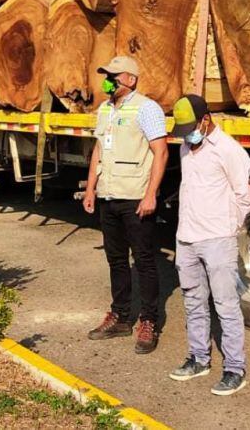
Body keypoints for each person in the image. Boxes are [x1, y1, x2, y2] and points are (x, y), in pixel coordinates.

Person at [166, 95, 250, 396]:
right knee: (193, 301)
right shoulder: (184, 147)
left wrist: (228, 230)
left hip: (217, 239)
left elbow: (244, 195)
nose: (187, 134)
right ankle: (199, 358)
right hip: (186, 237)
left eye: (191, 126)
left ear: (206, 119)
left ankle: (234, 369)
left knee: (226, 306)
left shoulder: (228, 150)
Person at [82, 55, 170, 354]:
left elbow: (161, 153)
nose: (108, 80)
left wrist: (151, 194)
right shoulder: (104, 109)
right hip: (109, 194)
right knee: (116, 259)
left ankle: (149, 320)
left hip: (135, 196)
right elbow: (98, 150)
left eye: (114, 75)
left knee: (143, 260)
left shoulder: (147, 108)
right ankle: (119, 316)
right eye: (106, 75)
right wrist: (91, 188)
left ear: (130, 79)